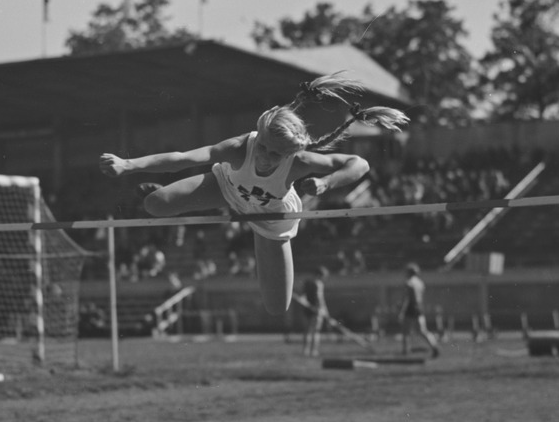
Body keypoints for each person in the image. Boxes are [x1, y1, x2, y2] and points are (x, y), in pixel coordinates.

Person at [99, 72, 409, 314]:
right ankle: (171, 195)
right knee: (154, 205)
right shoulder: (238, 148)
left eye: (276, 155)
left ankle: (237, 221)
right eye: (262, 147)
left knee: (277, 307)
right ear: (257, 136)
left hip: (270, 216)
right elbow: (182, 158)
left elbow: (360, 164)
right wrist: (128, 165)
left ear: (290, 153)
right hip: (227, 189)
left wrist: (326, 184)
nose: (264, 157)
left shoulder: (299, 161)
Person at [398, 262, 439, 358]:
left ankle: (405, 351)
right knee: (423, 331)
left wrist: (402, 312)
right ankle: (434, 347)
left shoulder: (409, 283)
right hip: (419, 308)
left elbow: (407, 299)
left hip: (411, 308)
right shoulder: (420, 283)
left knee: (405, 332)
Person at [300, 266, 330, 357]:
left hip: (308, 310)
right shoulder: (319, 284)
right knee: (316, 332)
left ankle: (305, 351)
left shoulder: (307, 282)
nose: (325, 278)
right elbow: (320, 299)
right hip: (317, 311)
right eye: (324, 276)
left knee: (307, 331)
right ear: (320, 275)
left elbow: (302, 296)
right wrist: (324, 312)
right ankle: (313, 351)